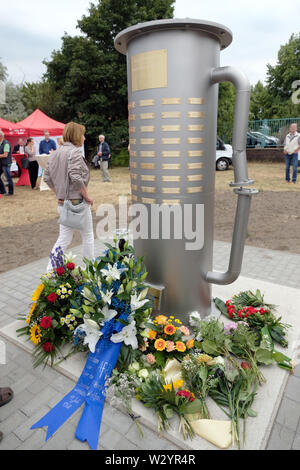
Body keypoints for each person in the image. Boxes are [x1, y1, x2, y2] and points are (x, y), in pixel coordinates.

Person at [44, 122, 94, 272]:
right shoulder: (76, 152)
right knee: (88, 236)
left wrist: (60, 194)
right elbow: (75, 176)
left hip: (63, 204)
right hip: (77, 203)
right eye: (83, 134)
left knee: (64, 238)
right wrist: (87, 196)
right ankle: (90, 268)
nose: (84, 138)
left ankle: (49, 271)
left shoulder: (55, 153)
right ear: (77, 136)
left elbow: (47, 178)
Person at [0, 130, 14, 196]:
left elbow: (5, 155)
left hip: (6, 163)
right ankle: (2, 191)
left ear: (1, 136)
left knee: (8, 178)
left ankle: (10, 192)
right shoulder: (1, 143)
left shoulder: (6, 144)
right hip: (2, 163)